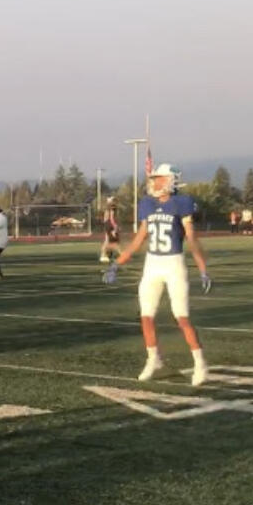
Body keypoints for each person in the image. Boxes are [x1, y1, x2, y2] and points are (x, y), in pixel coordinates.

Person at [105, 163, 212, 386]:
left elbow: (191, 238)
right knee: (146, 316)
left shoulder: (181, 203)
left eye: (160, 179)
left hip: (174, 263)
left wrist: (202, 268)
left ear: (171, 180)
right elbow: (139, 238)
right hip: (152, 264)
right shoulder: (147, 204)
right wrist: (117, 263)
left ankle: (200, 363)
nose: (155, 182)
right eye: (155, 179)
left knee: (181, 317)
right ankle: (154, 358)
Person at [100, 197, 121, 263]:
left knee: (108, 240)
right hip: (109, 225)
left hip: (107, 225)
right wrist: (115, 226)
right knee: (112, 240)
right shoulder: (112, 208)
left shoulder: (107, 208)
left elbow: (105, 218)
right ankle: (104, 255)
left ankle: (107, 255)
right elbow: (112, 219)